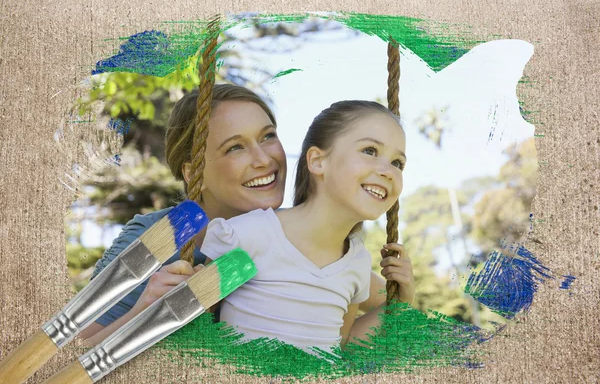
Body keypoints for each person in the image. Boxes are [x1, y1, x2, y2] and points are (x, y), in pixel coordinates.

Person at [80, 85, 399, 346]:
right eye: (235, 147)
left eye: (267, 136)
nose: (264, 159)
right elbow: (67, 357)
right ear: (196, 174)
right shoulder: (155, 238)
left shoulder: (293, 237)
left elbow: (383, 297)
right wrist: (142, 313)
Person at [200, 100, 415, 355]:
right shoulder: (251, 235)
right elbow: (196, 326)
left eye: (397, 163)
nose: (388, 171)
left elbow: (340, 346)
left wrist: (399, 303)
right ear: (317, 161)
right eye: (369, 151)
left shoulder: (355, 262)